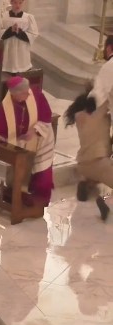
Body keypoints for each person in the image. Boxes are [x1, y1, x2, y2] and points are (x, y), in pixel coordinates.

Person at [0, 76, 55, 207]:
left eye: (24, 93)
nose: (23, 96)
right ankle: (18, 198)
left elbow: (46, 118)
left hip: (41, 140)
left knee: (43, 180)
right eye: (18, 95)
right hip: (20, 145)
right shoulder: (6, 106)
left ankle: (38, 202)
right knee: (19, 175)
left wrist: (33, 131)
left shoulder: (37, 96)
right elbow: (0, 127)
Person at [66, 35, 113, 220]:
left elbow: (100, 90)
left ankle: (98, 193)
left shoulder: (110, 66)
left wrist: (91, 104)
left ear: (109, 48)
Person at [1, 0, 38, 74]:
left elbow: (33, 34)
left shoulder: (28, 18)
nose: (18, 5)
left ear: (23, 3)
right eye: (15, 3)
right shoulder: (3, 16)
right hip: (7, 49)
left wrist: (20, 33)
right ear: (11, 3)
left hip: (22, 51)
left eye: (20, 3)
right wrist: (10, 30)